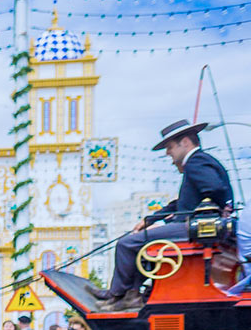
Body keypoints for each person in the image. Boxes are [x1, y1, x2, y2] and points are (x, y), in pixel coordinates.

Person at [95, 120, 234, 308]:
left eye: (169, 147)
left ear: (185, 142)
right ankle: (130, 295)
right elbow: (180, 203)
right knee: (142, 242)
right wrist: (149, 220)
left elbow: (214, 188)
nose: (168, 153)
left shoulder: (196, 162)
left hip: (194, 229)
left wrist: (208, 212)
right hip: (193, 226)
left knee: (127, 243)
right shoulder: (200, 163)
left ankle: (116, 293)